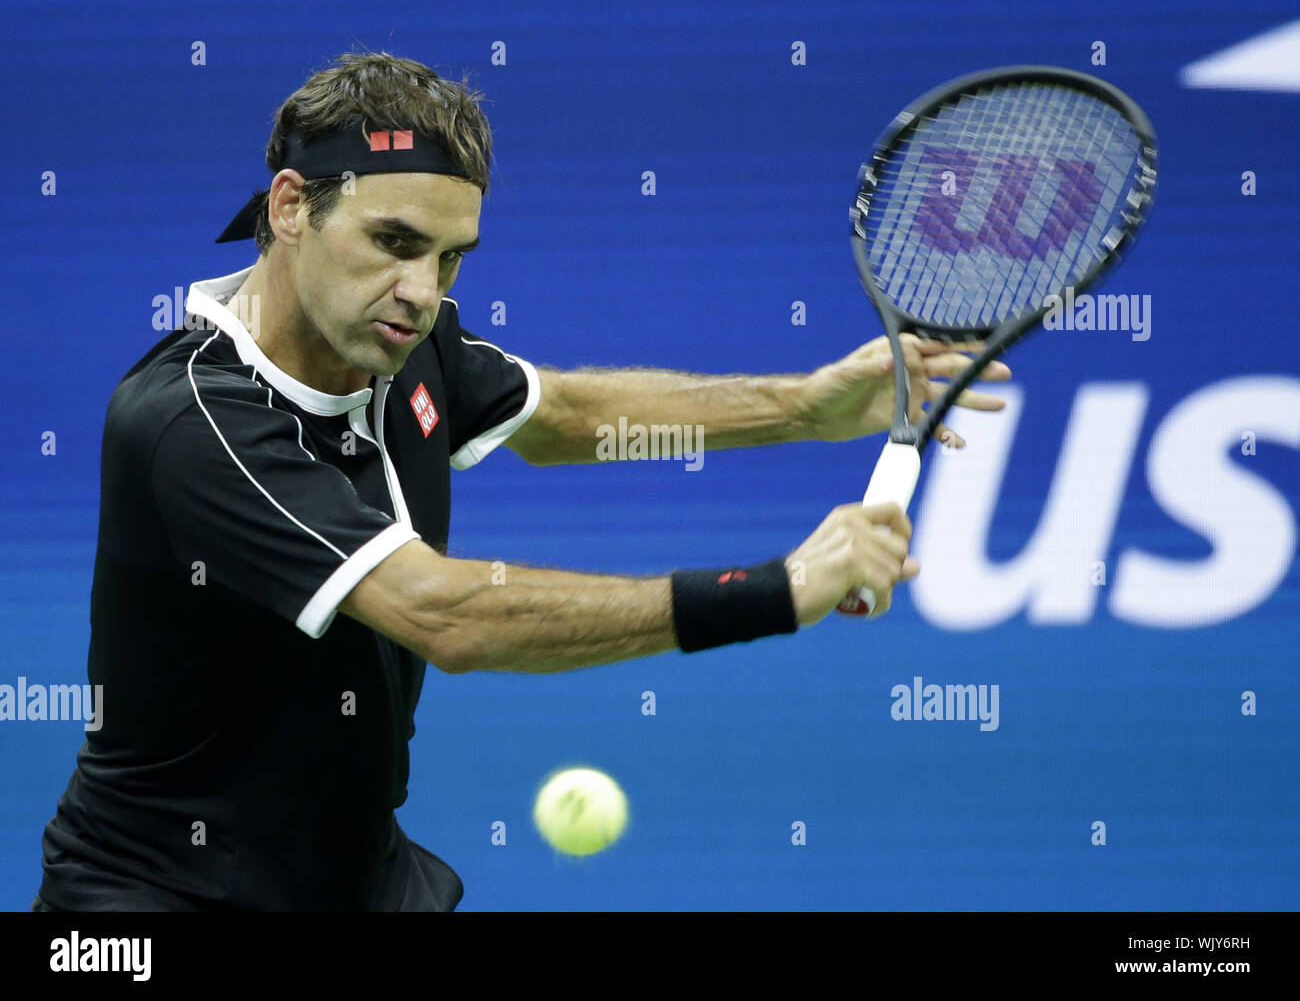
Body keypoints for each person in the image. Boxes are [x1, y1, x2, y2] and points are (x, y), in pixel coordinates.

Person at [32, 51, 1009, 912]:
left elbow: (567, 419)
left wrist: (807, 405)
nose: (424, 290)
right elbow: (450, 616)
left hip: (358, 878)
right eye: (395, 241)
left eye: (452, 258)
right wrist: (776, 589)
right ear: (291, 207)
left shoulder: (398, 341)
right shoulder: (192, 423)